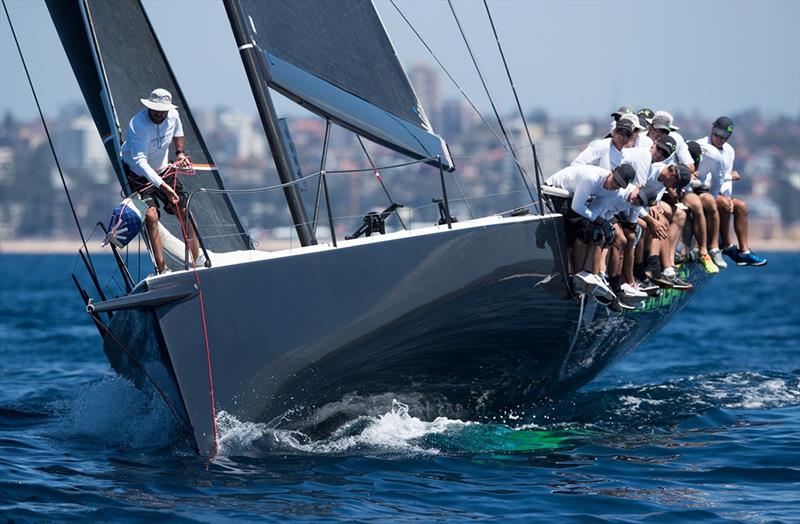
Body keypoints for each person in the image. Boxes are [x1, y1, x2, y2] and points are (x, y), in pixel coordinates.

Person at [120, 88, 200, 274]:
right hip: (139, 174)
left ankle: (198, 259)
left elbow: (178, 133)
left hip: (163, 169)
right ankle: (162, 269)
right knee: (151, 216)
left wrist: (179, 153)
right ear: (149, 106)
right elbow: (141, 163)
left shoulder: (173, 115)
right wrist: (164, 188)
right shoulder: (138, 124)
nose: (158, 113)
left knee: (184, 208)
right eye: (155, 109)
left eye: (161, 110)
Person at [545, 163, 635, 302]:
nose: (614, 185)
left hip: (573, 197)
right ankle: (577, 276)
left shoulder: (614, 191)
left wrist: (602, 225)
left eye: (619, 185)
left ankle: (586, 276)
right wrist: (602, 222)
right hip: (555, 191)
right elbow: (577, 206)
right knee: (582, 227)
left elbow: (595, 210)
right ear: (612, 171)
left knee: (595, 232)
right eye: (615, 180)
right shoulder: (591, 178)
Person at [696, 117, 767, 266]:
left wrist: (728, 197)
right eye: (717, 136)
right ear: (712, 130)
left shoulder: (730, 151)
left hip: (718, 192)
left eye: (724, 138)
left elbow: (725, 184)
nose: (720, 139)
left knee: (741, 205)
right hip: (699, 191)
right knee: (723, 202)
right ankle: (727, 244)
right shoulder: (701, 146)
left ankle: (745, 251)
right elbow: (702, 179)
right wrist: (729, 178)